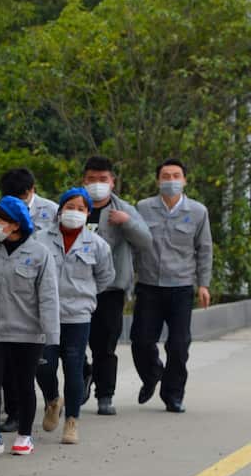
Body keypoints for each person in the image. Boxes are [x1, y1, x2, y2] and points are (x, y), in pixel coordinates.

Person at [0, 197, 60, 458]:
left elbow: (48, 296)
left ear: (15, 224)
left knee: (24, 384)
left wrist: (51, 337)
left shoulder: (40, 254)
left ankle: (25, 435)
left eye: (0, 220)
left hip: (28, 333)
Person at [132, 158, 213, 414]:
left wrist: (203, 285)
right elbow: (133, 245)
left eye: (176, 176)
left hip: (181, 287)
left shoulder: (198, 211)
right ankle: (152, 374)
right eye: (166, 176)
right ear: (158, 181)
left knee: (178, 345)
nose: (171, 181)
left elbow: (204, 249)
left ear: (185, 180)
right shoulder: (143, 208)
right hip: (149, 286)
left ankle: (173, 394)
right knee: (141, 341)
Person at [35, 188, 115, 444]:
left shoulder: (97, 245)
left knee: (73, 368)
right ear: (60, 210)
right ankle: (52, 400)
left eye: (81, 209)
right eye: (70, 207)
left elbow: (105, 277)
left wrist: (85, 295)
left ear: (88, 213)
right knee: (43, 365)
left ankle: (71, 421)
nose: (75, 212)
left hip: (78, 316)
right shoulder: (40, 240)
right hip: (45, 315)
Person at [80, 155, 152, 416]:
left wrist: (126, 222)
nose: (97, 184)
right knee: (72, 344)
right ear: (83, 181)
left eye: (103, 179)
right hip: (76, 288)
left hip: (111, 289)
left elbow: (146, 241)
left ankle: (105, 396)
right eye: (91, 179)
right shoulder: (74, 206)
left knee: (105, 345)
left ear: (112, 181)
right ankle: (83, 376)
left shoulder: (124, 209)